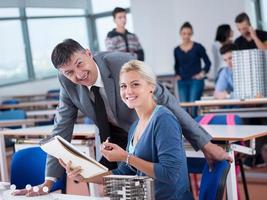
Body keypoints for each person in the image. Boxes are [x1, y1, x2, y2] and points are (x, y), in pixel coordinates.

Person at [13, 39, 231, 197]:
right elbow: (61, 129)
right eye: (69, 72)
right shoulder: (68, 82)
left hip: (149, 134)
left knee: (147, 180)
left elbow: (167, 103)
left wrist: (204, 143)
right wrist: (53, 180)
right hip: (124, 137)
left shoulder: (122, 65)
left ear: (88, 53)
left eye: (79, 64)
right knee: (117, 187)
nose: (78, 75)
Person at [60, 60, 193, 199]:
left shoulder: (163, 119)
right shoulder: (135, 127)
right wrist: (85, 177)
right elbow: (124, 172)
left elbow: (170, 174)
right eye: (123, 86)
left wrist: (125, 157)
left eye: (135, 84)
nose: (128, 91)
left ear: (151, 87)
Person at [174, 22, 211, 116]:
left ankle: (195, 130)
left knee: (193, 107)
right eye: (184, 33)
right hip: (182, 82)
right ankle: (187, 130)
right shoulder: (176, 50)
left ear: (192, 34)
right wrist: (177, 75)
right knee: (184, 109)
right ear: (180, 34)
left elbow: (208, 63)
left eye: (189, 33)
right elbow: (176, 65)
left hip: (196, 81)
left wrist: (202, 74)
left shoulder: (198, 47)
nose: (186, 36)